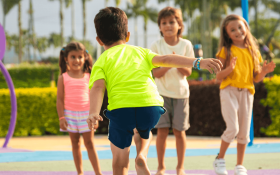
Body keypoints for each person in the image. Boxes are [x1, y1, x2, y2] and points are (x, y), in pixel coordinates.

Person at [87, 7, 222, 175]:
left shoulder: (101, 61)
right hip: (149, 106)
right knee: (145, 131)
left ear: (99, 40)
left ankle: (126, 164)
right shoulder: (141, 52)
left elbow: (98, 87)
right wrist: (197, 62)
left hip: (121, 110)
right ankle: (141, 155)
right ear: (127, 36)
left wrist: (93, 112)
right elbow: (166, 59)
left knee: (120, 156)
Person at [214, 14, 276, 175]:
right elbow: (218, 76)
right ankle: (220, 159)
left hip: (247, 93)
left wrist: (264, 71)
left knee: (243, 132)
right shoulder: (225, 50)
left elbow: (256, 78)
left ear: (246, 28)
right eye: (232, 30)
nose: (237, 31)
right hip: (229, 91)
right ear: (227, 34)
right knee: (232, 128)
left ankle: (239, 165)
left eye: (240, 27)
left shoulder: (253, 52)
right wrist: (229, 69)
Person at [150, 7, 193, 175]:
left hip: (181, 94)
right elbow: (155, 73)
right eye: (164, 23)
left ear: (179, 24)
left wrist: (176, 62)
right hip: (161, 95)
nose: (168, 25)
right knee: (161, 131)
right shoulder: (156, 45)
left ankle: (180, 167)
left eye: (171, 22)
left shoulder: (186, 45)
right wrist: (168, 63)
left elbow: (188, 72)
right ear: (160, 27)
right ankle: (161, 167)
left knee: (179, 131)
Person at [56, 42, 102, 175]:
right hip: (70, 116)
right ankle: (80, 173)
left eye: (80, 57)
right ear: (66, 59)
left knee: (90, 144)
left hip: (86, 115)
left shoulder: (89, 76)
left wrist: (94, 115)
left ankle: (98, 173)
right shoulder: (62, 78)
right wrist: (61, 117)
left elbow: (95, 97)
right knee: (75, 144)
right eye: (73, 57)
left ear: (85, 58)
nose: (77, 60)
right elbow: (59, 99)